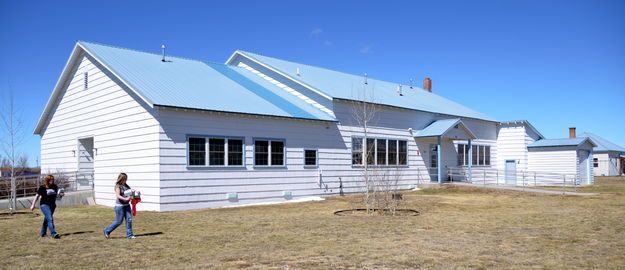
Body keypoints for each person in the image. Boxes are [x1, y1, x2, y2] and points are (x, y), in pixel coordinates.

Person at [30, 174, 64, 239]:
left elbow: (58, 195)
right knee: (50, 219)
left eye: (53, 179)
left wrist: (61, 194)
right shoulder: (42, 187)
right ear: (47, 180)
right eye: (51, 180)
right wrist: (33, 205)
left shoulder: (55, 186)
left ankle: (42, 233)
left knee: (47, 219)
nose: (52, 181)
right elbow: (37, 196)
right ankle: (53, 233)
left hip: (52, 205)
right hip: (44, 205)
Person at [103, 173, 135, 239]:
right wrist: (125, 199)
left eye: (126, 179)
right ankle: (107, 230)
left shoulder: (127, 186)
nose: (126, 180)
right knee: (119, 221)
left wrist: (134, 194)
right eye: (124, 179)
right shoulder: (117, 186)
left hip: (127, 205)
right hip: (120, 206)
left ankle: (129, 235)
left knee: (129, 220)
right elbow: (118, 195)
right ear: (121, 179)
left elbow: (130, 193)